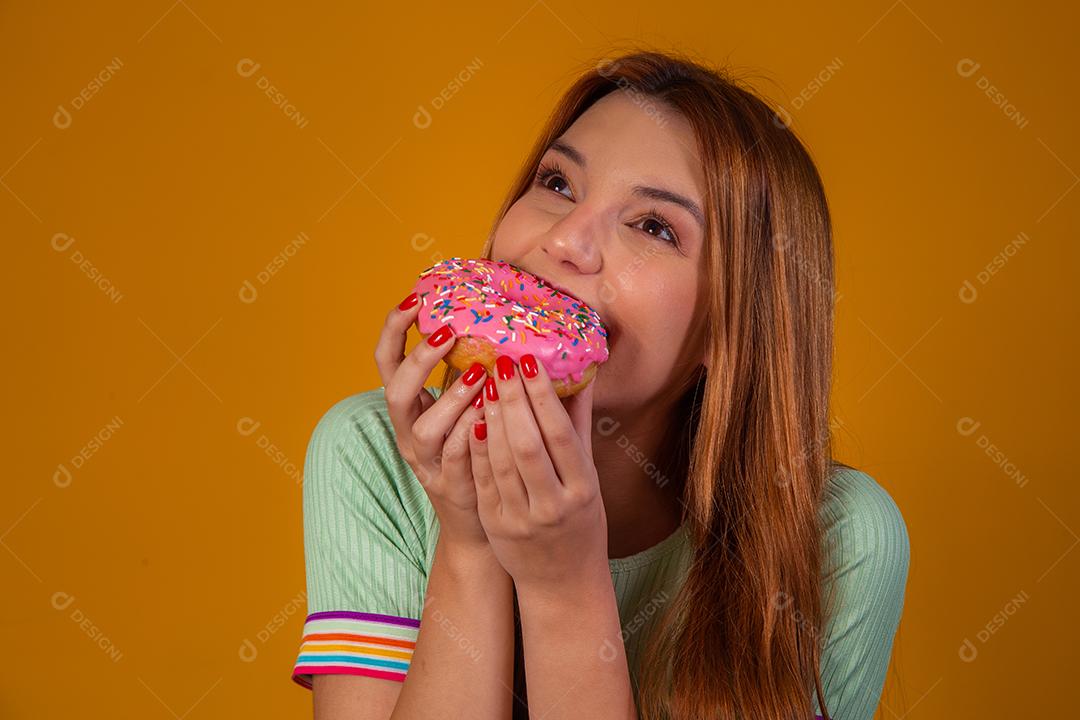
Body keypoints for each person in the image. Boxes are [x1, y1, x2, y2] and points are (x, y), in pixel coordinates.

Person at [291, 49, 910, 720]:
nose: (567, 240)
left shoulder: (838, 537)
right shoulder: (373, 453)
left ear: (732, 329)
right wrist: (470, 544)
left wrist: (565, 587)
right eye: (557, 183)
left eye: (653, 226)